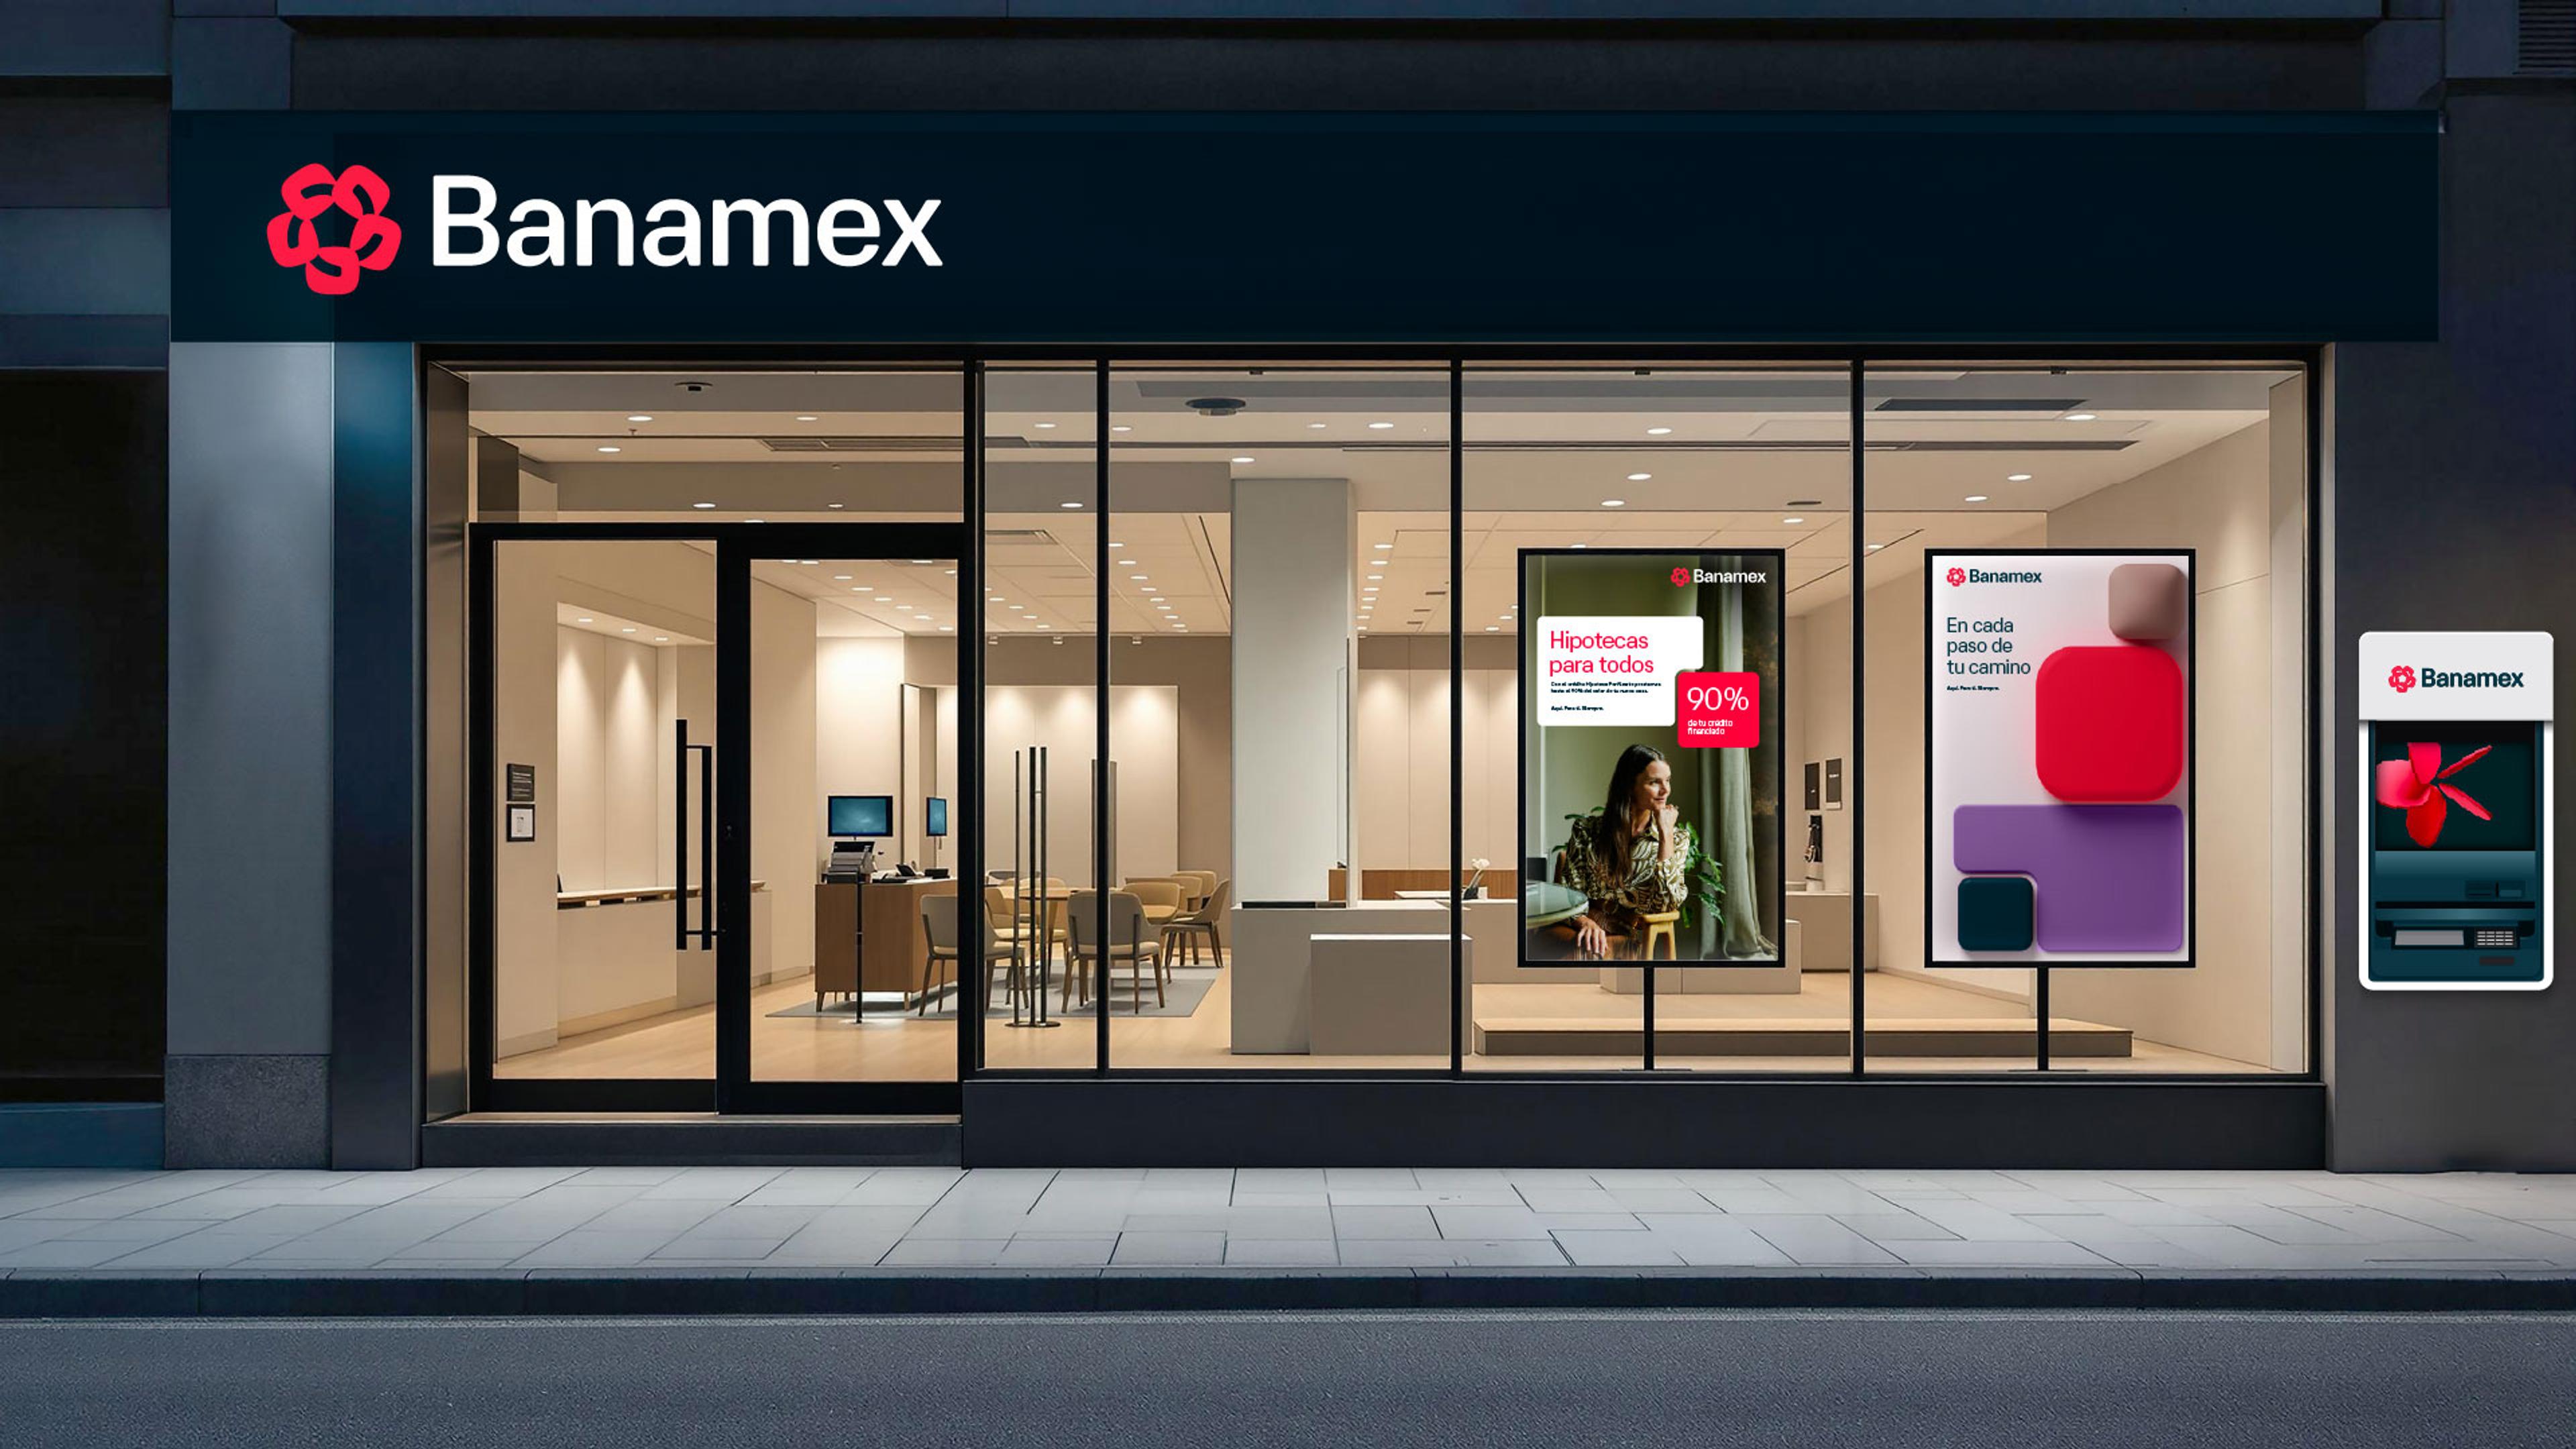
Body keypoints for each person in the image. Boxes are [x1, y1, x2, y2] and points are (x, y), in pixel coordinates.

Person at [1556, 744, 1697, 959]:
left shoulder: (1676, 839)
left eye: (1668, 780)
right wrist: (1584, 921)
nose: (1666, 790)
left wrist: (1665, 834)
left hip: (1629, 934)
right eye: (1654, 782)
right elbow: (1570, 893)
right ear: (1629, 785)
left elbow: (1666, 905)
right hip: (1584, 924)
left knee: (1588, 953)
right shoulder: (1586, 830)